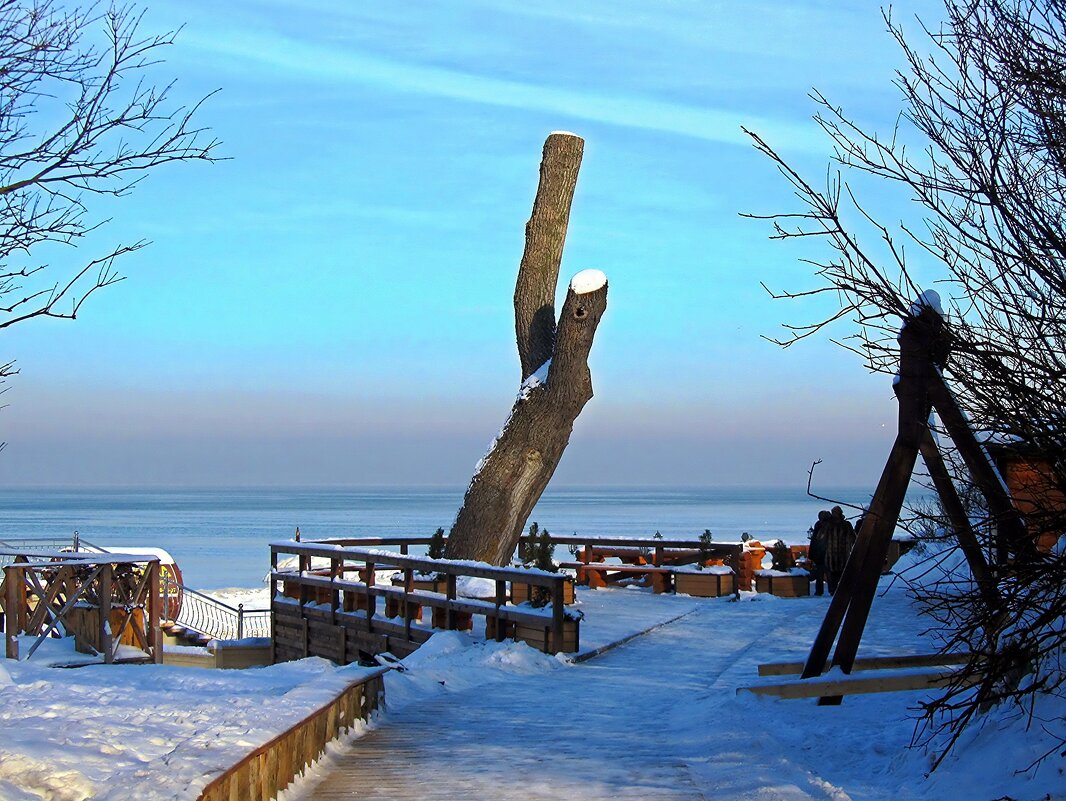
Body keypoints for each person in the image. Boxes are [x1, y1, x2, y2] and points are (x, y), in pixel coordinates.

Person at [824, 506, 856, 595]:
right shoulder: (831, 525)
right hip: (836, 554)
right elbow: (854, 538)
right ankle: (836, 590)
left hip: (839, 554)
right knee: (836, 574)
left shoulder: (844, 525)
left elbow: (853, 538)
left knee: (838, 574)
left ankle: (837, 590)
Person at [808, 510, 831, 596]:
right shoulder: (821, 526)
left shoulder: (821, 526)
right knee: (825, 573)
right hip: (823, 553)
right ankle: (829, 590)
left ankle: (822, 591)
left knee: (823, 574)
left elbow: (815, 541)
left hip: (822, 553)